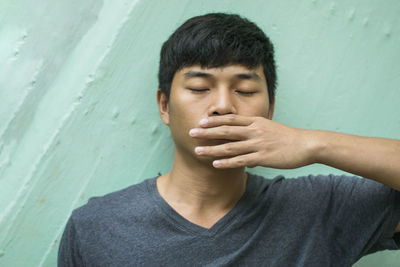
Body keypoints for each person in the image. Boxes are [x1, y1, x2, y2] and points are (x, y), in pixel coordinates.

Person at [58, 13, 400, 266]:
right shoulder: (95, 227)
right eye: (199, 88)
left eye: (245, 89)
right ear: (164, 105)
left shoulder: (321, 209)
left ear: (269, 110)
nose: (223, 105)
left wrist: (313, 144)